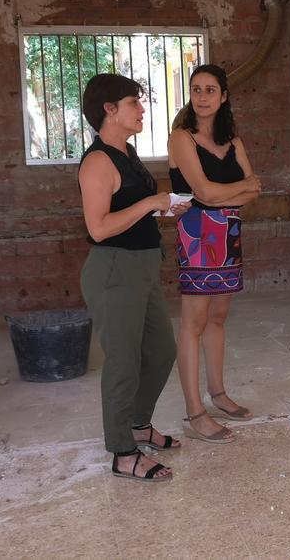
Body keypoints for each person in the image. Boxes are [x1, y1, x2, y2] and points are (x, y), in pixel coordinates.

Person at [78, 73, 190, 481]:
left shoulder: (128, 153)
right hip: (114, 270)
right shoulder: (97, 162)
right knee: (123, 362)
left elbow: (133, 210)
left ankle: (139, 425)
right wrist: (150, 203)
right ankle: (123, 453)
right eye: (134, 103)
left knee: (160, 351)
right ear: (110, 110)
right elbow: (99, 228)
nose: (142, 109)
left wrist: (163, 209)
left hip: (142, 266)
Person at [168, 64, 262, 444]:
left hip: (229, 232)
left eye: (210, 90)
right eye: (196, 89)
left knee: (219, 317)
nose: (202, 96)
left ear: (223, 96)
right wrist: (237, 189)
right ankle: (195, 411)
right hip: (197, 235)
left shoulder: (233, 141)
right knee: (194, 321)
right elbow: (203, 194)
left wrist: (230, 192)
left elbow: (255, 192)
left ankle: (219, 394)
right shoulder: (181, 138)